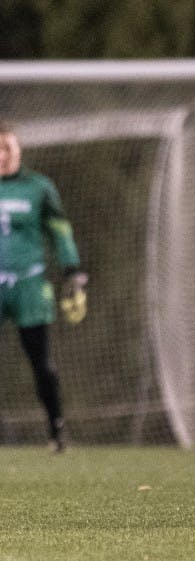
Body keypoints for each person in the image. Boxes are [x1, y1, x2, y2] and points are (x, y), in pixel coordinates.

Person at [0, 119, 88, 454]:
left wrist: (72, 269)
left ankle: (56, 428)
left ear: (19, 150)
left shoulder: (38, 187)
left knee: (41, 363)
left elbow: (59, 230)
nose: (2, 154)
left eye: (8, 147)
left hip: (29, 284)